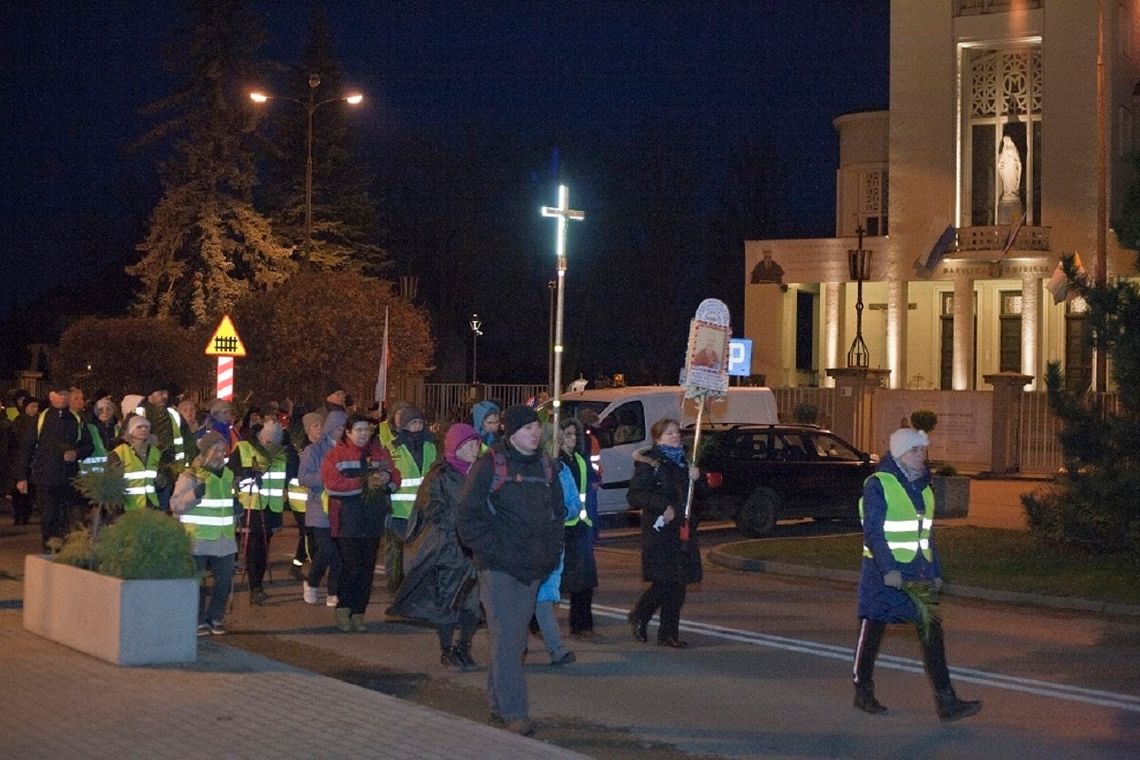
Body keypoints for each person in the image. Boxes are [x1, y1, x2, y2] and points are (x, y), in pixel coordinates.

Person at [852, 427, 983, 722]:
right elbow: (873, 532)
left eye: (923, 450)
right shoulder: (878, 484)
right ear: (899, 454)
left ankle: (947, 701)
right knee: (872, 630)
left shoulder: (924, 487)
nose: (922, 456)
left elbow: (927, 534)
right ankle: (863, 690)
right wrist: (889, 570)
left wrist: (936, 572)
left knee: (932, 633)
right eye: (915, 450)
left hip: (918, 573)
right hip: (884, 574)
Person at [457, 404, 564, 736]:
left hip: (533, 567)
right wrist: (497, 552)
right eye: (527, 428)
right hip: (500, 569)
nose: (534, 433)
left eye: (537, 427)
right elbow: (467, 518)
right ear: (511, 432)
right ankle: (514, 712)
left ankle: (498, 706)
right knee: (508, 641)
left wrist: (550, 553)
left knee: (513, 640)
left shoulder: (546, 467)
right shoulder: (491, 465)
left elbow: (557, 515)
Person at [387, 422, 482, 671]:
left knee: (473, 601)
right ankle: (447, 649)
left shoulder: (480, 473)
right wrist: (463, 519)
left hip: (476, 549)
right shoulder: (439, 475)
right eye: (469, 444)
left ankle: (464, 646)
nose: (475, 448)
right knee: (447, 602)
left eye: (477, 443)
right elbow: (432, 509)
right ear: (456, 447)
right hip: (448, 548)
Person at [627, 417, 702, 649]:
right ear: (658, 439)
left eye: (676, 432)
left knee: (679, 584)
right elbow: (636, 495)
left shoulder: (685, 462)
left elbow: (699, 495)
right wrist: (662, 506)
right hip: (660, 529)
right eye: (669, 433)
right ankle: (640, 614)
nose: (675, 436)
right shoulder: (651, 463)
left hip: (682, 527)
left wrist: (698, 479)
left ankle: (668, 634)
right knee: (665, 581)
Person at [322, 412, 400, 633]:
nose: (364, 434)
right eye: (359, 430)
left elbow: (395, 477)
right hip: (347, 521)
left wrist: (387, 480)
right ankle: (343, 609)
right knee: (352, 567)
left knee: (367, 570)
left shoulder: (378, 452)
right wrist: (365, 482)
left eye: (367, 429)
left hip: (373, 520)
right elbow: (332, 485)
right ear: (348, 432)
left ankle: (359, 612)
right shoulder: (336, 455)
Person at [171, 431, 236, 636]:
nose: (220, 454)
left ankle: (215, 617)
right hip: (198, 539)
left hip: (224, 539)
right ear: (205, 451)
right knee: (197, 583)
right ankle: (198, 620)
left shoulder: (228, 475)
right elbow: (175, 505)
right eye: (215, 450)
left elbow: (225, 504)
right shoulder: (190, 476)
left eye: (223, 450)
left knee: (224, 582)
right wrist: (193, 494)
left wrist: (237, 509)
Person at [231, 417, 297, 605]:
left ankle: (257, 584)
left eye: (275, 442)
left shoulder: (283, 452)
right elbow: (232, 475)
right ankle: (255, 587)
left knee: (264, 547)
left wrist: (289, 452)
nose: (271, 446)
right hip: (251, 505)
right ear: (261, 437)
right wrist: (248, 476)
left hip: (271, 508)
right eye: (268, 442)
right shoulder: (244, 448)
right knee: (254, 548)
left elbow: (292, 473)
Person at [18, 383, 93, 549]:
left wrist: (76, 453)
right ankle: (49, 550)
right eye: (58, 395)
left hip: (68, 478)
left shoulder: (77, 420)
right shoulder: (40, 419)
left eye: (65, 395)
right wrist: (22, 477)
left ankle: (66, 552)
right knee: (49, 517)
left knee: (66, 518)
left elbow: (88, 446)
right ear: (51, 397)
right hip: (45, 478)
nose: (62, 398)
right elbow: (26, 448)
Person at [384, 406, 437, 593]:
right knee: (397, 552)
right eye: (412, 423)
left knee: (420, 551)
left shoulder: (431, 446)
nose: (417, 426)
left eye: (419, 422)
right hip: (400, 510)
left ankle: (415, 588)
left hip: (424, 508)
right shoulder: (392, 448)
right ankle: (396, 587)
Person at [558, 416, 600, 640]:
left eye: (575, 434)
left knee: (585, 578)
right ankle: (535, 623)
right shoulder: (555, 462)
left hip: (581, 525)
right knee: (552, 580)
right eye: (567, 434)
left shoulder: (581, 460)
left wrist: (592, 521)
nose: (572, 439)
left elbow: (588, 493)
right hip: (561, 527)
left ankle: (583, 626)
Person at [298, 411, 345, 607]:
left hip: (342, 508)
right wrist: (328, 477)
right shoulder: (314, 450)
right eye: (339, 427)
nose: (342, 431)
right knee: (327, 550)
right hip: (320, 507)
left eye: (344, 427)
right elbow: (304, 478)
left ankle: (333, 591)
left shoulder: (349, 450)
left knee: (340, 552)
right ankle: (312, 581)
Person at [288, 411, 324, 585]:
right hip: (300, 499)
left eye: (321, 425)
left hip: (316, 499)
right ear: (307, 429)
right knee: (309, 535)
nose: (319, 429)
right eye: (315, 426)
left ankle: (297, 564)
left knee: (308, 534)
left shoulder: (325, 447)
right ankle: (312, 570)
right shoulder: (301, 449)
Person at [106, 415, 168, 512]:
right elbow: (111, 483)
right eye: (139, 427)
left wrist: (161, 481)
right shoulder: (119, 452)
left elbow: (161, 480)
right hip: (128, 507)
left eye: (146, 427)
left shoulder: (155, 452)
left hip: (151, 506)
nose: (143, 429)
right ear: (131, 430)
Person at [8, 393, 39, 525]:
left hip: (34, 462)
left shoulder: (39, 421)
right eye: (32, 406)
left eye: (36, 406)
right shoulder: (18, 422)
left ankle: (25, 515)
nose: (34, 409)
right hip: (19, 461)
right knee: (18, 491)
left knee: (30, 491)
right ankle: (18, 515)